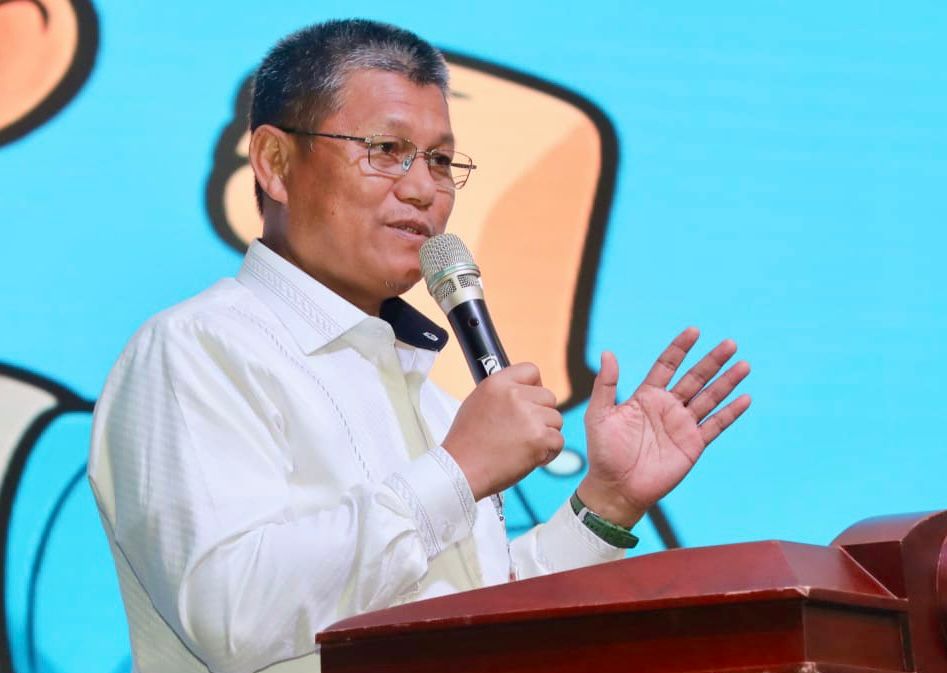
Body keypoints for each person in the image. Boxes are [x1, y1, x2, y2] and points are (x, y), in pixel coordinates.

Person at [88, 18, 751, 673]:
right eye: (385, 149)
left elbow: (474, 618)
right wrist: (456, 472)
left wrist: (606, 503)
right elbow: (232, 613)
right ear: (275, 163)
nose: (423, 188)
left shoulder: (433, 402)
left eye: (439, 160)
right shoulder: (198, 348)